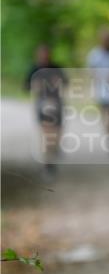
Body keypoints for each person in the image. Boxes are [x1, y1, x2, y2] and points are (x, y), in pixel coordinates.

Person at [25, 44, 68, 178]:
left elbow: (66, 82)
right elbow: (26, 86)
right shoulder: (34, 69)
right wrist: (35, 86)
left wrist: (58, 83)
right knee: (47, 134)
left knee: (56, 132)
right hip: (42, 105)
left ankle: (53, 152)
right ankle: (48, 165)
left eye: (46, 54)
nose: (44, 57)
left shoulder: (56, 68)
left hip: (56, 104)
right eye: (41, 54)